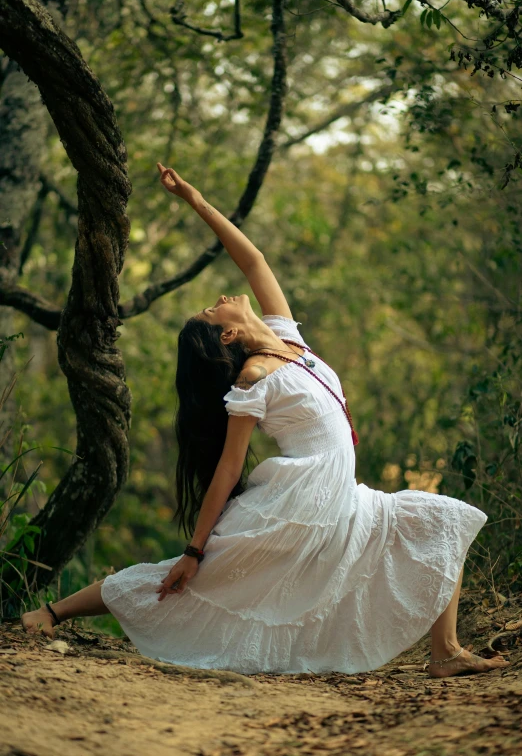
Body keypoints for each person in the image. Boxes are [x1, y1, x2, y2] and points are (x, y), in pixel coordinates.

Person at [22, 164, 509, 679]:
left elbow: (252, 259)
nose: (221, 300)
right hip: (298, 504)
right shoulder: (254, 379)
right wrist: (194, 547)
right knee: (192, 576)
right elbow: (229, 468)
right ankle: (52, 612)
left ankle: (446, 653)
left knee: (444, 520)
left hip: (336, 495)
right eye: (214, 312)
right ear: (228, 338)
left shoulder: (287, 339)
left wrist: (195, 198)